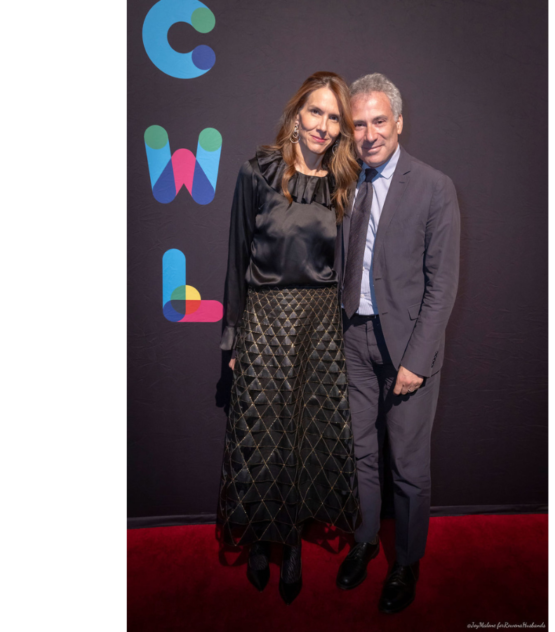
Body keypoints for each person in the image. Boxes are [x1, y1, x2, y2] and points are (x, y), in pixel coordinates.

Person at [216, 72, 362, 605]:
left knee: (305, 437)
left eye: (332, 118)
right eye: (315, 112)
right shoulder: (257, 171)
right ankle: (259, 538)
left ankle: (293, 548)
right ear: (296, 113)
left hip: (318, 325)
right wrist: (233, 336)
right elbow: (235, 257)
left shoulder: (343, 183)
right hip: (265, 318)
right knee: (262, 435)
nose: (322, 126)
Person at [334, 73, 461, 614]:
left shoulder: (434, 186)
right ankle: (365, 540)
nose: (368, 134)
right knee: (362, 453)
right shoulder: (346, 184)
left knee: (407, 465)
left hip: (406, 351)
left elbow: (443, 285)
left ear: (399, 123)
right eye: (359, 123)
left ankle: (406, 562)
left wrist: (416, 360)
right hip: (353, 341)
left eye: (378, 121)